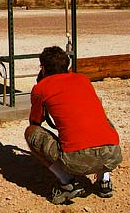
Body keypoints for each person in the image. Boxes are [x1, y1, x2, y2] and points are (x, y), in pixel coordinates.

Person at [25, 46, 122, 205]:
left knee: (30, 133)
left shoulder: (41, 88)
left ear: (43, 68)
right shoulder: (83, 79)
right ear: (67, 66)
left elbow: (35, 122)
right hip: (112, 154)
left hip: (76, 160)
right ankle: (104, 180)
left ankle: (66, 182)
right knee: (103, 121)